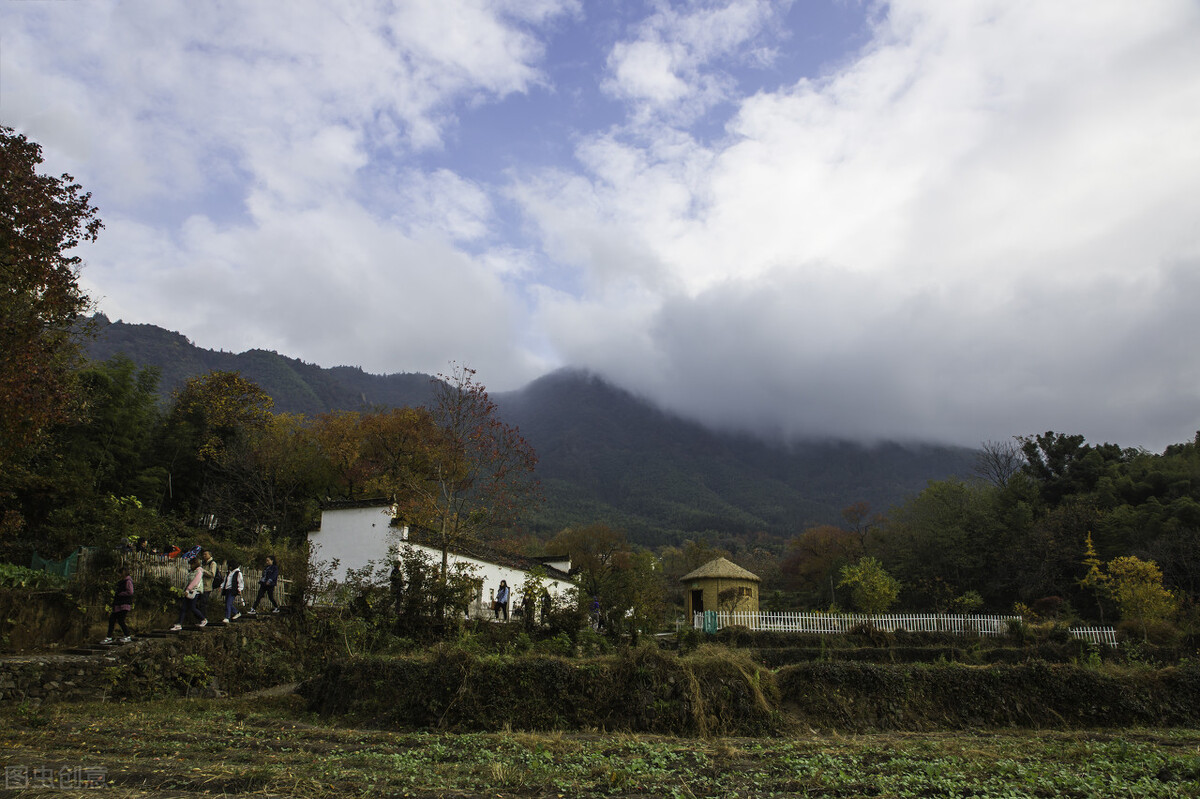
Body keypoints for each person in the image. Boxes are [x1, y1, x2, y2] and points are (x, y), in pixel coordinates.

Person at [170, 558, 208, 631]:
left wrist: (188, 589)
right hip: (189, 591)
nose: (190, 566)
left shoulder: (199, 571)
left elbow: (195, 582)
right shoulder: (192, 572)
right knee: (183, 607)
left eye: (191, 564)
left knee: (192, 607)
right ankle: (179, 624)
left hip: (194, 591)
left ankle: (203, 619)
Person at [101, 567, 134, 644]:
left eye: (119, 573)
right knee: (112, 620)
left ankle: (127, 636)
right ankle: (109, 637)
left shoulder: (128, 581)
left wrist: (121, 594)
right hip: (118, 604)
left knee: (120, 620)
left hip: (124, 604)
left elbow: (130, 592)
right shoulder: (121, 582)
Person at [199, 550, 217, 619]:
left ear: (210, 555)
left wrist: (203, 571)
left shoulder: (212, 563)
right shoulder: (204, 563)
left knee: (203, 603)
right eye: (203, 554)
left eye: (205, 554)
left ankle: (204, 618)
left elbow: (212, 574)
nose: (204, 556)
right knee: (201, 603)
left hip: (207, 586)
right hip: (201, 585)